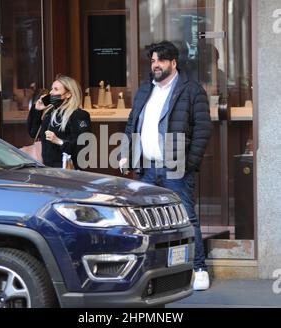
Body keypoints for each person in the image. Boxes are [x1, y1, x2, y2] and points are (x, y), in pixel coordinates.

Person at [119, 41, 213, 291]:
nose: (155, 65)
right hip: (147, 168)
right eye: (152, 61)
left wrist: (189, 163)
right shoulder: (144, 90)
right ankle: (149, 270)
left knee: (186, 218)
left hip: (176, 167)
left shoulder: (191, 90)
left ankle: (198, 267)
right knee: (144, 220)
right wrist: (126, 152)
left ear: (173, 63)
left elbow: (203, 129)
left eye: (160, 60)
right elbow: (132, 124)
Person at [27, 75, 91, 169]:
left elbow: (83, 147)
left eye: (56, 89)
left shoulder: (78, 115)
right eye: (51, 89)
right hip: (47, 167)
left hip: (66, 168)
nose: (51, 92)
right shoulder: (50, 113)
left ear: (68, 94)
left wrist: (59, 141)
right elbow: (33, 133)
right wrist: (37, 110)